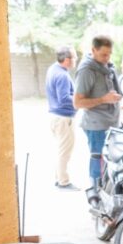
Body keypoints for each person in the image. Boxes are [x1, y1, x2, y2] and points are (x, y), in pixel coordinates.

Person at [74, 35, 121, 187]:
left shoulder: (108, 67)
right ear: (93, 50)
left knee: (110, 161)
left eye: (109, 54)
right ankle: (95, 190)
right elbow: (78, 103)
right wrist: (103, 99)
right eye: (103, 54)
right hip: (96, 125)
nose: (107, 58)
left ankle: (107, 190)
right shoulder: (87, 70)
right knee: (98, 160)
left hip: (112, 123)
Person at [45, 47, 79, 191]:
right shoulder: (62, 75)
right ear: (67, 60)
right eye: (75, 57)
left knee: (61, 150)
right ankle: (63, 182)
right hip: (63, 118)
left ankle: (59, 178)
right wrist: (80, 100)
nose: (76, 60)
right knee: (65, 151)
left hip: (55, 117)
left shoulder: (53, 69)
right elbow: (64, 99)